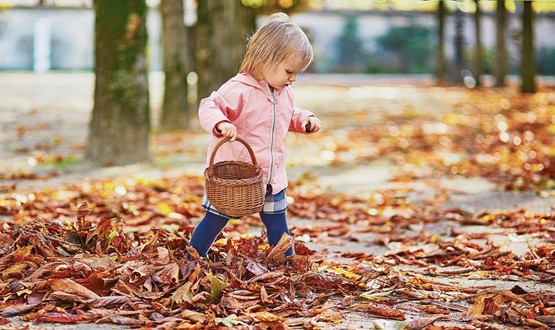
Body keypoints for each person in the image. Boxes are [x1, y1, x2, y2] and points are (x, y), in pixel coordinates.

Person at [189, 12, 321, 258]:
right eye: (289, 71)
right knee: (215, 220)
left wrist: (304, 120)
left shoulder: (283, 92)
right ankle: (193, 257)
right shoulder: (238, 89)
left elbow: (287, 115)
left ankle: (286, 263)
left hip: (271, 175)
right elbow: (209, 105)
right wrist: (220, 123)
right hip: (236, 177)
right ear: (265, 59)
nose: (293, 78)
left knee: (277, 224)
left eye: (297, 73)